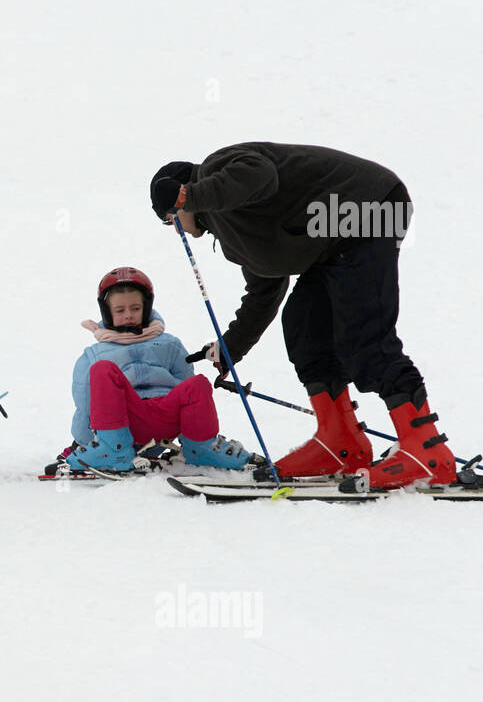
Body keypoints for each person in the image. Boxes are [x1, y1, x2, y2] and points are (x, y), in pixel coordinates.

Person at [149, 142, 457, 489]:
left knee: (363, 336)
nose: (176, 227)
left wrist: (190, 193)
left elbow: (258, 175)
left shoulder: (218, 168)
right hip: (332, 242)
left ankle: (426, 451)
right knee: (305, 328)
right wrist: (230, 348)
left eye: (171, 217)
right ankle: (340, 442)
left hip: (368, 208)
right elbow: (264, 291)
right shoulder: (232, 234)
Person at [50, 267, 259, 475]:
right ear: (107, 311)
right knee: (103, 370)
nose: (129, 315)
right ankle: (112, 450)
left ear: (147, 306)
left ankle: (200, 448)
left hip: (166, 413)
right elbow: (86, 405)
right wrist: (81, 443)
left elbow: (186, 387)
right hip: (125, 420)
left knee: (198, 384)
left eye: (135, 308)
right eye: (120, 311)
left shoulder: (169, 344)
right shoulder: (94, 355)